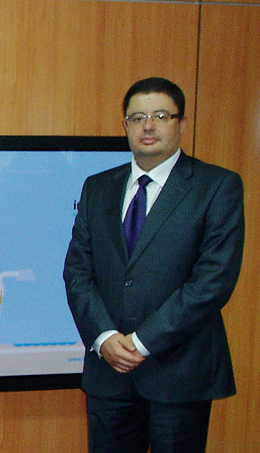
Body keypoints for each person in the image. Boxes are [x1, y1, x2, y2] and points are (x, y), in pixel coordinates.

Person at [63, 77, 244, 453]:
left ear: (182, 123)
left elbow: (212, 281)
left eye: (161, 116)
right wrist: (104, 338)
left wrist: (143, 342)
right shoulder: (98, 187)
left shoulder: (216, 186)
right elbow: (78, 272)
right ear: (125, 125)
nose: (148, 126)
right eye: (137, 117)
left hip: (179, 374)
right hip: (109, 373)